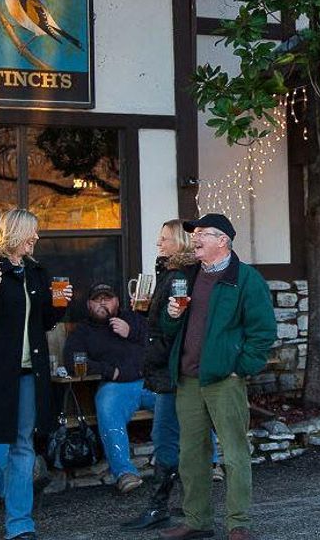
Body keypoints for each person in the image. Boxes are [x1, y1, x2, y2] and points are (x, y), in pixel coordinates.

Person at [160, 214, 276, 540]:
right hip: (188, 379)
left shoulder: (246, 279)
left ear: (222, 240)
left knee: (235, 453)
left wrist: (242, 367)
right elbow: (172, 329)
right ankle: (197, 521)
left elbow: (263, 331)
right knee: (191, 454)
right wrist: (172, 317)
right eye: (193, 234)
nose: (194, 239)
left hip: (224, 380)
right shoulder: (188, 277)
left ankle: (238, 524)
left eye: (201, 234)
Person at [0, 208, 69, 540]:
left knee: (22, 444)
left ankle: (19, 525)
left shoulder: (35, 272)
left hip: (30, 373)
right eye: (33, 232)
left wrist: (59, 307)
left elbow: (43, 322)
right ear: (17, 233)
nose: (38, 238)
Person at [121, 220, 199, 530]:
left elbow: (176, 323)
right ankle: (181, 504)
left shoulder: (178, 277)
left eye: (165, 239)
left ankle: (159, 507)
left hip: (171, 369)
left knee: (166, 437)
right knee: (174, 437)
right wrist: (145, 310)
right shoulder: (170, 273)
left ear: (179, 243)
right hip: (164, 368)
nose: (159, 243)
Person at [63, 282, 154, 493]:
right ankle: (125, 473)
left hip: (149, 382)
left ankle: (209, 462)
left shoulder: (133, 319)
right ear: (89, 304)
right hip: (116, 385)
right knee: (107, 407)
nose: (102, 303)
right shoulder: (83, 331)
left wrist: (130, 332)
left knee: (183, 401)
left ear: (117, 301)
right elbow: (72, 360)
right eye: (97, 299)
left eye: (107, 298)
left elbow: (156, 344)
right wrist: (108, 370)